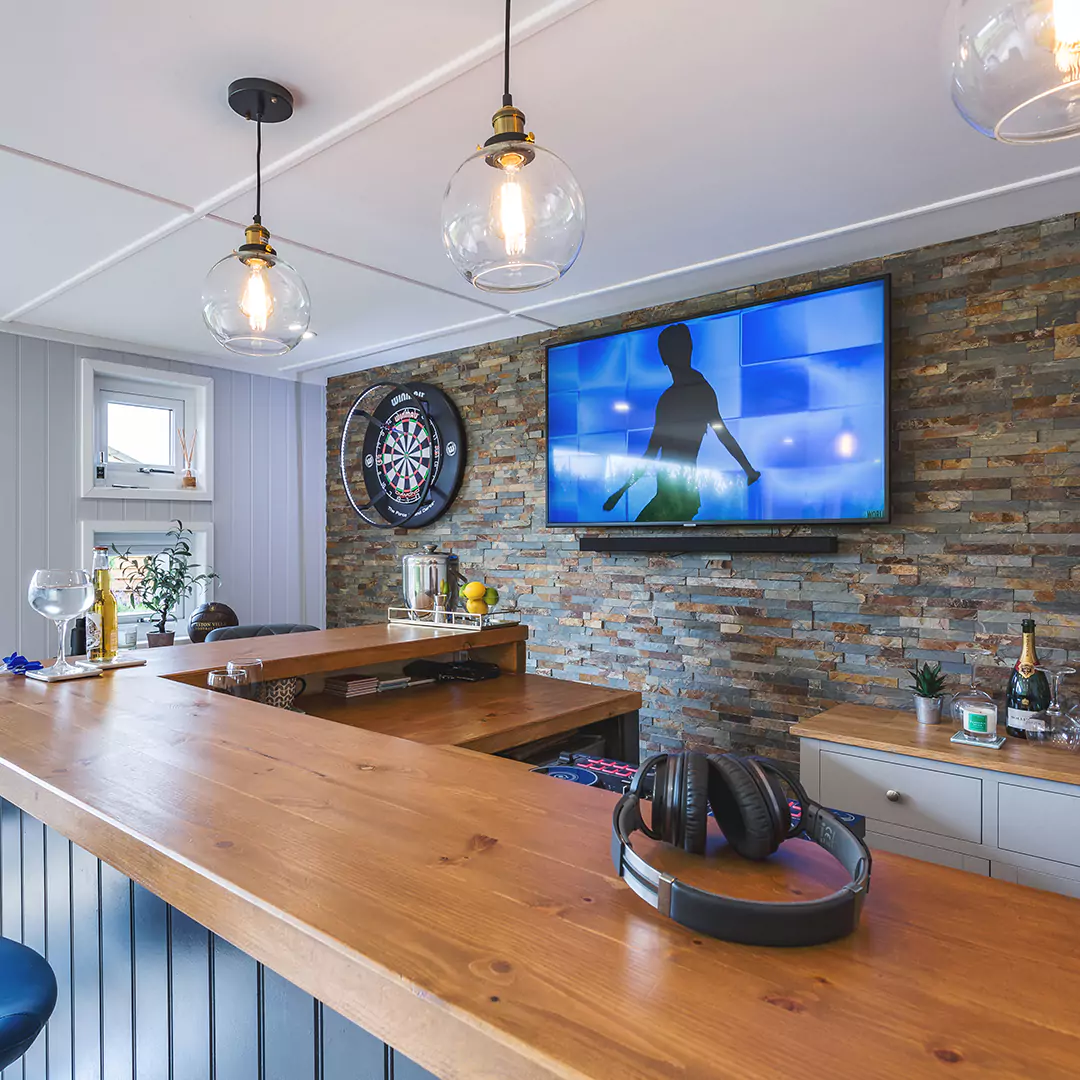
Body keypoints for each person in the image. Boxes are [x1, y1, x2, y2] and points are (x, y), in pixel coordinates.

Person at [603, 322, 760, 522]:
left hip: (680, 497)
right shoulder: (672, 397)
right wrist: (621, 492)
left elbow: (723, 435)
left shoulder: (696, 392)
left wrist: (620, 492)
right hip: (671, 495)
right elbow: (652, 452)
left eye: (682, 348)